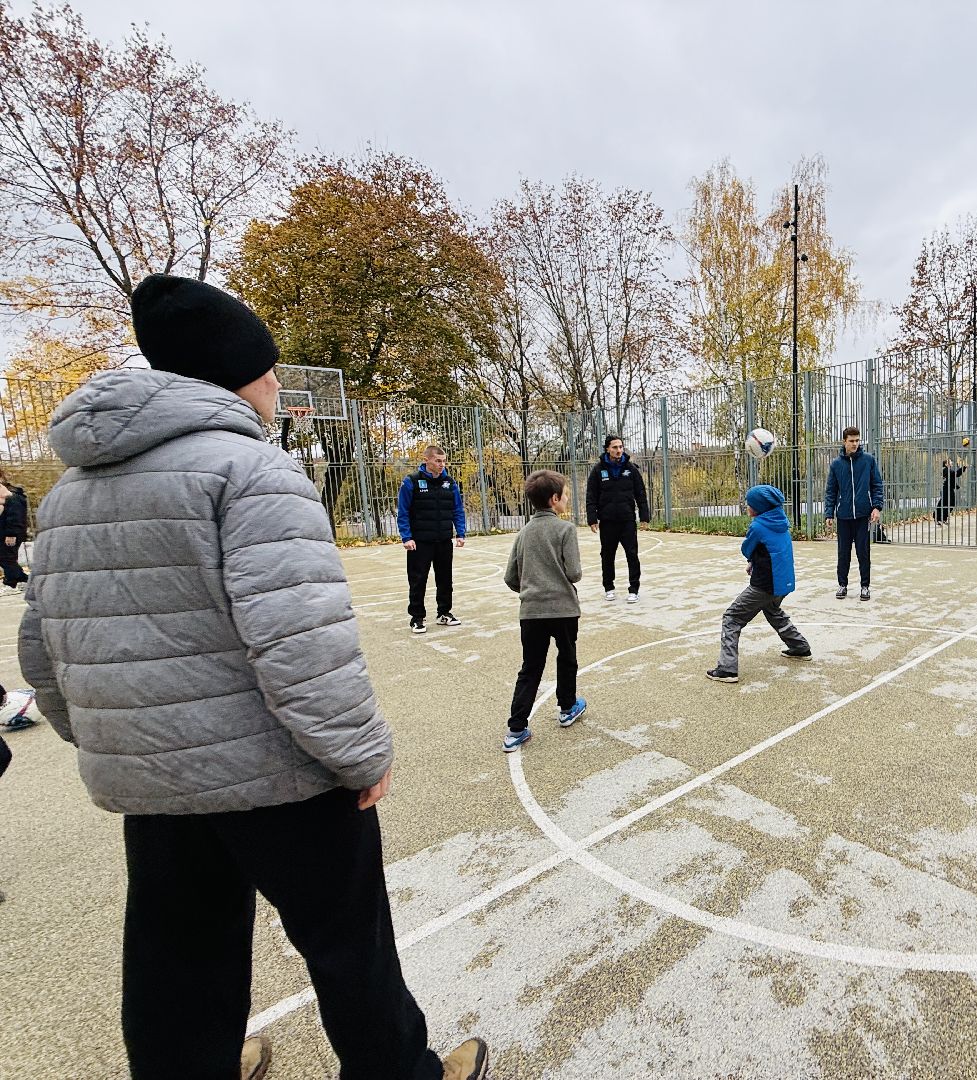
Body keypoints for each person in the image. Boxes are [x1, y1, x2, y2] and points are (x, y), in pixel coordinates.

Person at [16, 275, 489, 1080]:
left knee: (175, 956)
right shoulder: (252, 473)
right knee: (349, 948)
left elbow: (41, 649)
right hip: (279, 780)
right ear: (236, 371)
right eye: (269, 367)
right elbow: (300, 645)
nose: (278, 383)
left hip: (156, 782)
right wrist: (360, 755)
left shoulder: (67, 494)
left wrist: (115, 738)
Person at [502, 469, 586, 752]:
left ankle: (516, 728)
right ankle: (566, 707)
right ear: (554, 499)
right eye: (564, 496)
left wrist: (531, 591)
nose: (566, 500)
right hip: (563, 609)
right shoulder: (566, 529)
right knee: (567, 657)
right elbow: (574, 572)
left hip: (531, 613)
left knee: (531, 667)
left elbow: (510, 577)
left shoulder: (523, 533)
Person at [707, 485, 811, 683]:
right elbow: (770, 550)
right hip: (784, 582)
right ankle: (799, 647)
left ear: (759, 507)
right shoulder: (782, 522)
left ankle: (727, 668)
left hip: (765, 584)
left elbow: (747, 548)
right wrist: (754, 562)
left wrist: (751, 559)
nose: (747, 506)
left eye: (750, 504)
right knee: (772, 610)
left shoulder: (757, 526)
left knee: (732, 617)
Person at [397, 445, 467, 635]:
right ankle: (417, 618)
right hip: (419, 542)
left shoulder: (450, 483)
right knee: (418, 580)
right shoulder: (411, 482)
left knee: (445, 579)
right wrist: (407, 537)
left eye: (444, 461)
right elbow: (403, 512)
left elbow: (457, 510)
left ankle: (444, 613)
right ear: (426, 460)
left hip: (443, 540)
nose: (441, 465)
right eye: (438, 461)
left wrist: (460, 533)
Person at [585, 434, 650, 603]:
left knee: (632, 554)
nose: (618, 450)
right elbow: (591, 495)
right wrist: (592, 518)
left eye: (620, 447)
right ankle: (609, 587)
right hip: (607, 521)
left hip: (627, 520)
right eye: (615, 447)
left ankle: (633, 589)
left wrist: (644, 516)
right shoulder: (598, 470)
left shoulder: (631, 469)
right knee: (607, 555)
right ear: (607, 449)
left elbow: (640, 494)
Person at [824, 426, 884, 600]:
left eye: (857, 440)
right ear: (844, 442)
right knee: (843, 553)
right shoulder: (836, 465)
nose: (855, 444)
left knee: (863, 553)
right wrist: (829, 513)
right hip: (843, 516)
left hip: (863, 515)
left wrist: (876, 507)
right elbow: (831, 491)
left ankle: (865, 586)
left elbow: (877, 486)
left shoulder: (868, 461)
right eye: (851, 441)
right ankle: (842, 585)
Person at [0, 468, 29, 590]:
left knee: (7, 558)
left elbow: (16, 518)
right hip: (5, 534)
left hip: (11, 534)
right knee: (5, 558)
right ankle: (15, 579)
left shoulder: (13, 496)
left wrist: (11, 535)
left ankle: (17, 581)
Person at [935, 456, 964, 526]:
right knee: (947, 503)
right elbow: (955, 474)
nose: (951, 462)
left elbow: (952, 478)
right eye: (950, 461)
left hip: (948, 489)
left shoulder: (948, 470)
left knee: (947, 503)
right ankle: (940, 519)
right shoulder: (946, 470)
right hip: (946, 489)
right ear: (946, 464)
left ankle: (942, 519)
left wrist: (956, 486)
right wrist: (963, 467)